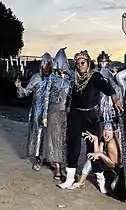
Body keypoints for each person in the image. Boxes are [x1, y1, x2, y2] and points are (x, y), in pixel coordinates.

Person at [58, 50, 123, 189]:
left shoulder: (96, 76)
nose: (80, 65)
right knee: (73, 147)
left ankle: (101, 181)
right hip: (75, 116)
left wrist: (115, 98)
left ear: (88, 64)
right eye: (78, 64)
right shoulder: (74, 79)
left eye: (83, 63)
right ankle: (70, 178)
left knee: (92, 149)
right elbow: (69, 96)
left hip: (91, 117)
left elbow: (107, 87)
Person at [15, 52, 53, 171]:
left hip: (52, 111)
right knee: (38, 134)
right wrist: (19, 87)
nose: (47, 67)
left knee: (50, 135)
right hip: (38, 110)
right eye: (45, 65)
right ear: (41, 65)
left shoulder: (54, 78)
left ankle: (48, 158)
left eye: (49, 65)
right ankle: (37, 158)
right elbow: (25, 92)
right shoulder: (36, 77)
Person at [42, 47, 74, 180]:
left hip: (66, 113)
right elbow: (46, 97)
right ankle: (58, 168)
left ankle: (66, 166)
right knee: (55, 140)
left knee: (65, 140)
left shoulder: (71, 79)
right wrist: (44, 115)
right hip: (53, 112)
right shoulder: (51, 79)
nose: (60, 68)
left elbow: (74, 96)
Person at [68, 120, 120, 194]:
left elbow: (114, 165)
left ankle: (104, 183)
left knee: (114, 187)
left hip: (120, 171)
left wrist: (101, 155)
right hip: (111, 168)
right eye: (105, 130)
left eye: (109, 130)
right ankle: (81, 182)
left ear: (114, 132)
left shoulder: (111, 144)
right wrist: (95, 140)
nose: (106, 133)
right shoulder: (103, 139)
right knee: (91, 157)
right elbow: (97, 154)